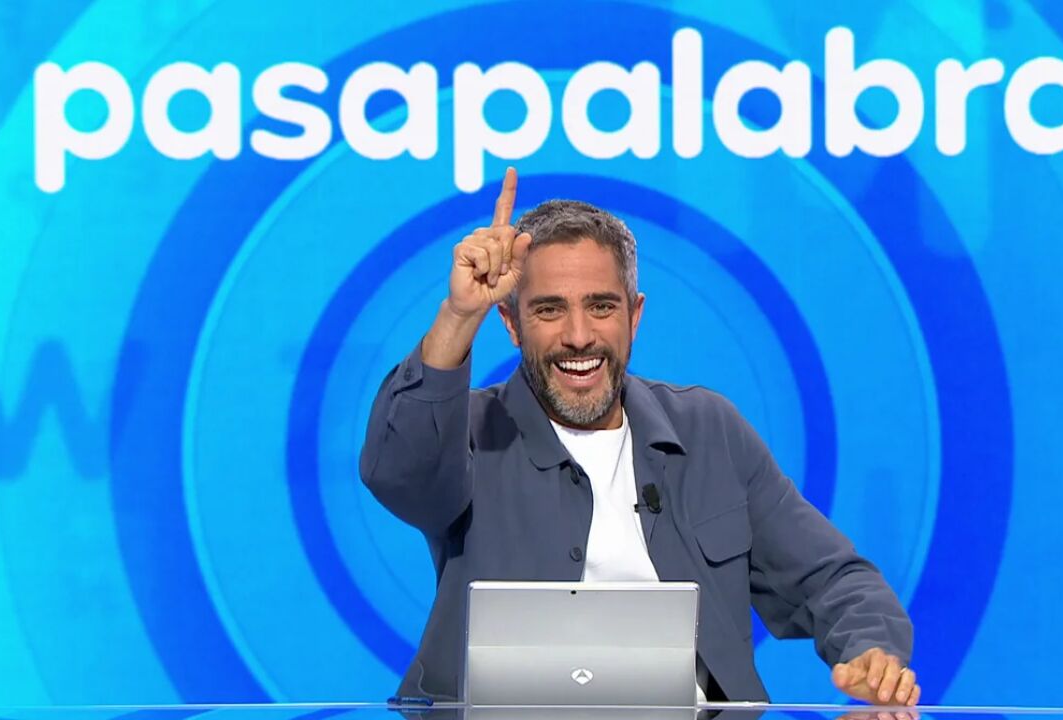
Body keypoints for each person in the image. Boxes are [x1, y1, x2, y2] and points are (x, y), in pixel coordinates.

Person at [359, 167, 918, 706]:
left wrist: (872, 650)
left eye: (601, 307)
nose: (579, 336)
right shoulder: (471, 432)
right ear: (511, 323)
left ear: (634, 316)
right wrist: (459, 315)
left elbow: (833, 578)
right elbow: (398, 472)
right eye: (550, 310)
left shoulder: (709, 430)